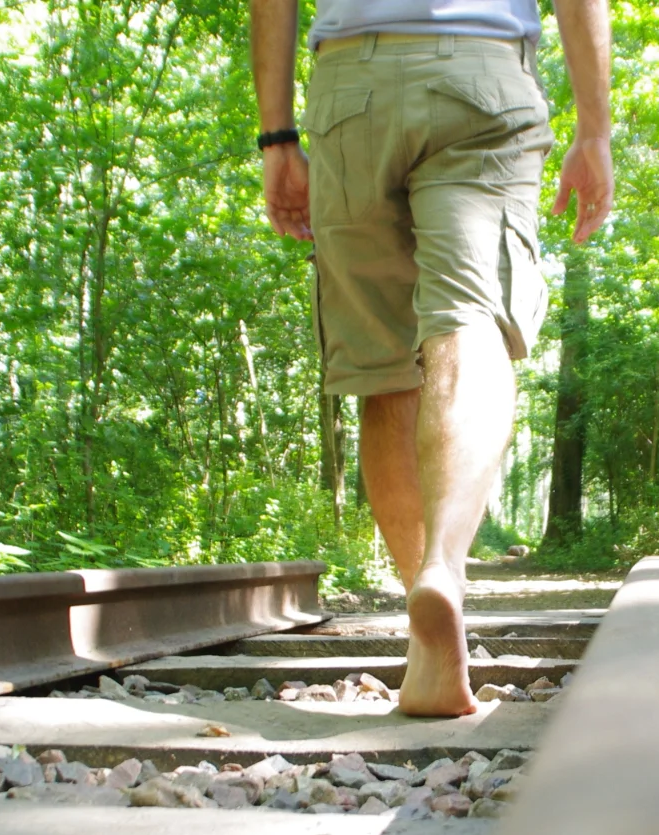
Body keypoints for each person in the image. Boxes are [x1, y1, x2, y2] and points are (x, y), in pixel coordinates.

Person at [251, 0, 614, 716]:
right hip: (483, 79)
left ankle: (425, 635)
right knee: (471, 321)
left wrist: (276, 137)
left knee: (385, 369)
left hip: (348, 85)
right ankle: (443, 569)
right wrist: (595, 130)